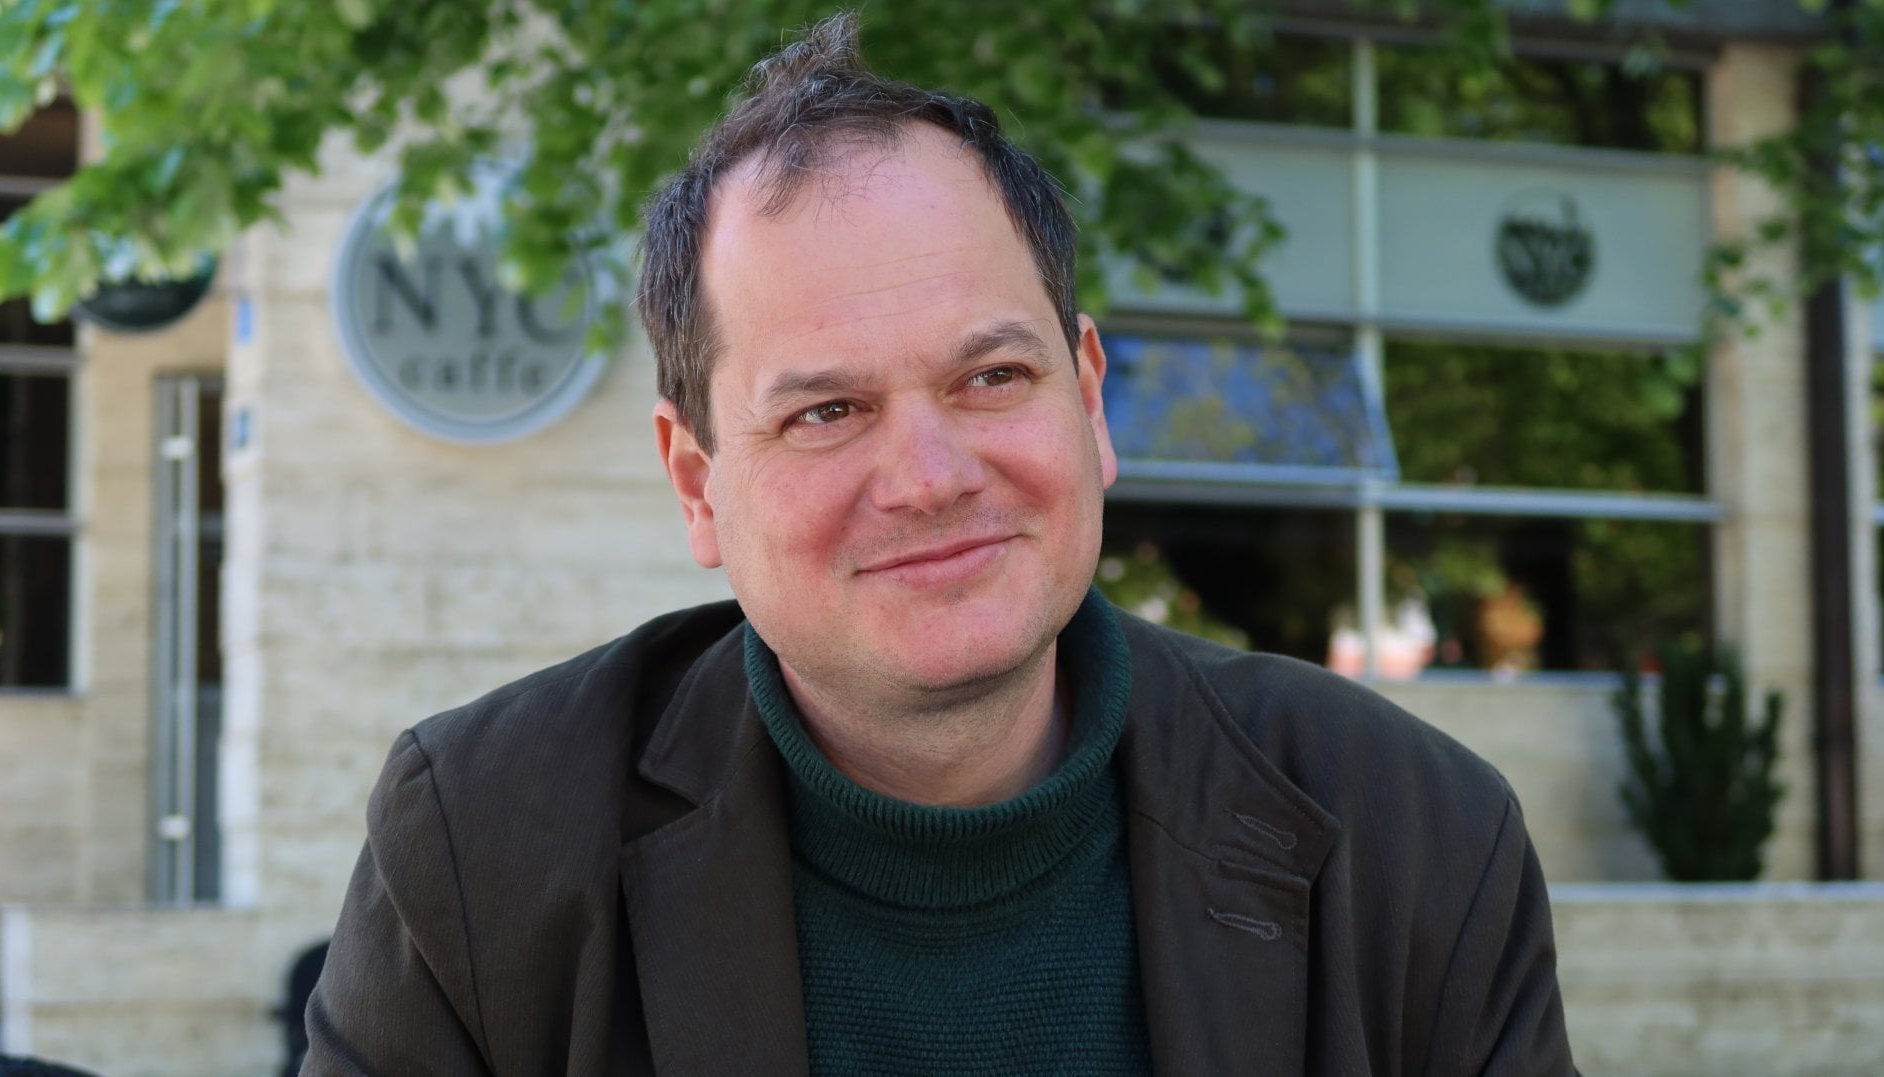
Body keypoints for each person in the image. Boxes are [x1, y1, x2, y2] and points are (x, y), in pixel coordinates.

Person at [305, 13, 1575, 1075]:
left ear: (1089, 401)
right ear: (698, 485)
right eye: (826, 412)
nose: (927, 479)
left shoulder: (1417, 840)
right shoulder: (482, 850)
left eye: (990, 378)